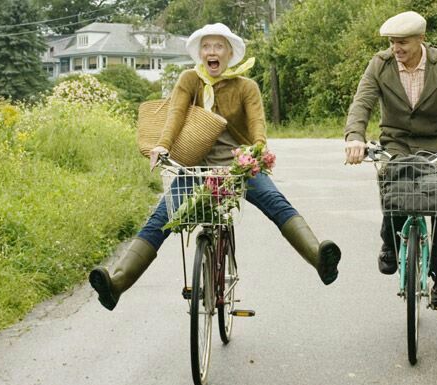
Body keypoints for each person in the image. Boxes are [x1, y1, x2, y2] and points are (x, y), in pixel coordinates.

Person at [89, 23, 341, 311]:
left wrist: (258, 150)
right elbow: (175, 115)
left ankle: (320, 259)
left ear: (229, 53)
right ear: (200, 53)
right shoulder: (189, 80)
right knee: (161, 218)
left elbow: (258, 126)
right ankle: (116, 284)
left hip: (238, 167)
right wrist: (162, 146)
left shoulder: (246, 87)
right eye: (206, 46)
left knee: (277, 204)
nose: (212, 52)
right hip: (196, 168)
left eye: (218, 46)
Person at [344, 11, 437, 310]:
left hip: (436, 144)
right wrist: (354, 137)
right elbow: (362, 103)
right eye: (393, 42)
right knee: (395, 188)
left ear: (421, 39)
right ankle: (390, 242)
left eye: (403, 43)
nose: (396, 49)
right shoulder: (379, 66)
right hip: (396, 142)